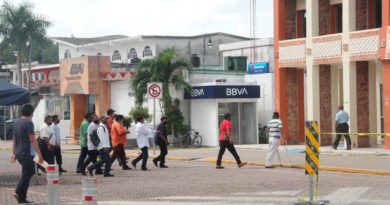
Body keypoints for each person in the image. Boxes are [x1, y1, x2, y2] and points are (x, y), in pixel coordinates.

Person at [11, 104, 44, 204]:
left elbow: (14, 139)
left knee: (27, 173)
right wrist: (40, 154)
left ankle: (22, 198)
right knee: (28, 174)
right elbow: (33, 140)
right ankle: (18, 191)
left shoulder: (17, 122)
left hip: (19, 153)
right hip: (26, 153)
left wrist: (13, 153)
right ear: (31, 113)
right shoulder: (29, 123)